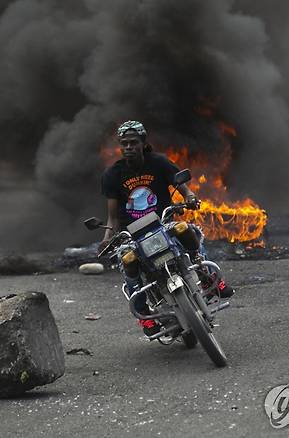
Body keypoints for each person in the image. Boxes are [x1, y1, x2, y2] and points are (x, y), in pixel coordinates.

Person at [100, 120, 234, 337]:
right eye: (124, 144)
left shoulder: (159, 162)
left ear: (143, 143)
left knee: (186, 230)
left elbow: (181, 186)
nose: (128, 147)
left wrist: (190, 197)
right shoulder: (112, 175)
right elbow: (113, 217)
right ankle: (145, 316)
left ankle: (209, 277)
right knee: (127, 263)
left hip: (162, 222)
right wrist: (107, 238)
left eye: (133, 142)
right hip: (132, 234)